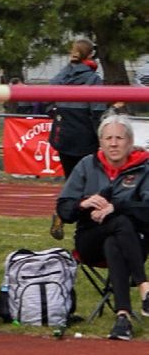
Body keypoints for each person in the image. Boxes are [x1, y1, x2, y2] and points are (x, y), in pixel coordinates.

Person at [54, 115, 149, 341]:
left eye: (119, 138)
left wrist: (116, 207)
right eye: (108, 138)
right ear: (100, 142)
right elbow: (64, 210)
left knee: (116, 235)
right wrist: (83, 203)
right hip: (89, 240)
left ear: (130, 142)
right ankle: (145, 287)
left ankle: (122, 318)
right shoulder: (86, 165)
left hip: (134, 241)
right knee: (117, 226)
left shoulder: (145, 168)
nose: (113, 144)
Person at [48, 37, 105, 239]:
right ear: (91, 55)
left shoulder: (63, 75)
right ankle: (84, 224)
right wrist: (102, 138)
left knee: (71, 181)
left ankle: (62, 212)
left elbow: (48, 91)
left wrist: (53, 112)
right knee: (91, 184)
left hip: (63, 137)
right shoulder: (93, 79)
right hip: (85, 139)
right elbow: (97, 112)